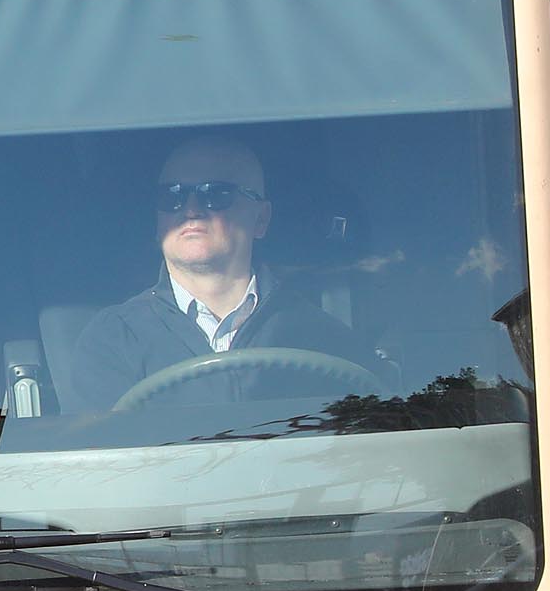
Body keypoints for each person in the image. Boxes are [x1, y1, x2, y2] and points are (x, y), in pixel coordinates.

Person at [57, 136, 363, 416]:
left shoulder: (323, 337)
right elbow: (103, 454)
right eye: (172, 197)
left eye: (216, 194)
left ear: (261, 218)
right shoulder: (113, 339)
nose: (191, 210)